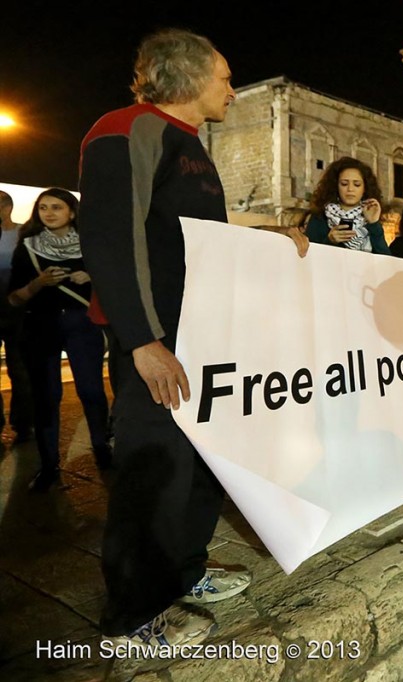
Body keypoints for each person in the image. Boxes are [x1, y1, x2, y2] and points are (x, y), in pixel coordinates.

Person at [78, 29, 308, 652]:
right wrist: (143, 341)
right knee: (151, 472)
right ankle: (131, 618)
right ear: (188, 76)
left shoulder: (189, 144)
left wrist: (272, 231)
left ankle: (185, 572)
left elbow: (201, 230)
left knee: (199, 458)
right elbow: (111, 240)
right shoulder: (125, 130)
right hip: (158, 339)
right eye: (226, 78)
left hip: (203, 330)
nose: (232, 90)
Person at [7, 189, 110, 490]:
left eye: (57, 207)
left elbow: (116, 286)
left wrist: (92, 277)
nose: (49, 213)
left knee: (91, 390)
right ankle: (49, 464)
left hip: (83, 325)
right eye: (43, 208)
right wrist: (38, 284)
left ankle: (102, 448)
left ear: (72, 212)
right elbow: (14, 298)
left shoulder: (91, 245)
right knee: (46, 397)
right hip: (41, 327)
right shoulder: (27, 247)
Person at [304, 157, 389, 254]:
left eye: (357, 184)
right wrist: (330, 241)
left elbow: (385, 259)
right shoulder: (320, 216)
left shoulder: (370, 217)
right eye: (344, 184)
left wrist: (374, 224)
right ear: (336, 186)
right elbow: (309, 255)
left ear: (365, 188)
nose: (350, 189)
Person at [0, 190, 33, 444]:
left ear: (8, 207)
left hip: (18, 309)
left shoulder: (23, 234)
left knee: (20, 368)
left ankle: (23, 424)